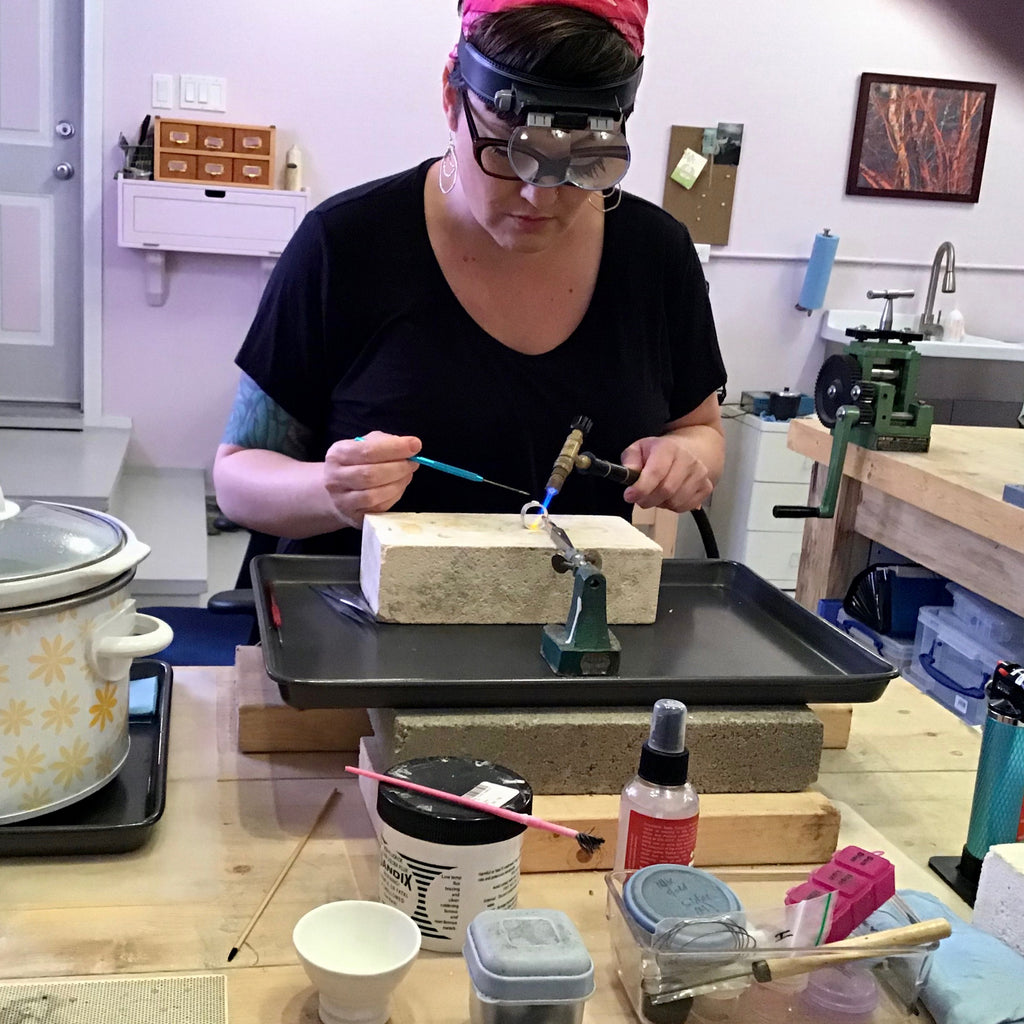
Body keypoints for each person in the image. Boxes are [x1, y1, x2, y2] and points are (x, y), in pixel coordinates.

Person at [214, 0, 727, 557]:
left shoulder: (657, 255)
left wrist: (686, 459)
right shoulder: (345, 244)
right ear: (451, 97)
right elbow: (238, 480)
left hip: (572, 627)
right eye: (508, 153)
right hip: (356, 628)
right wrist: (331, 493)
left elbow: (700, 430)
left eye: (584, 162)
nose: (541, 196)